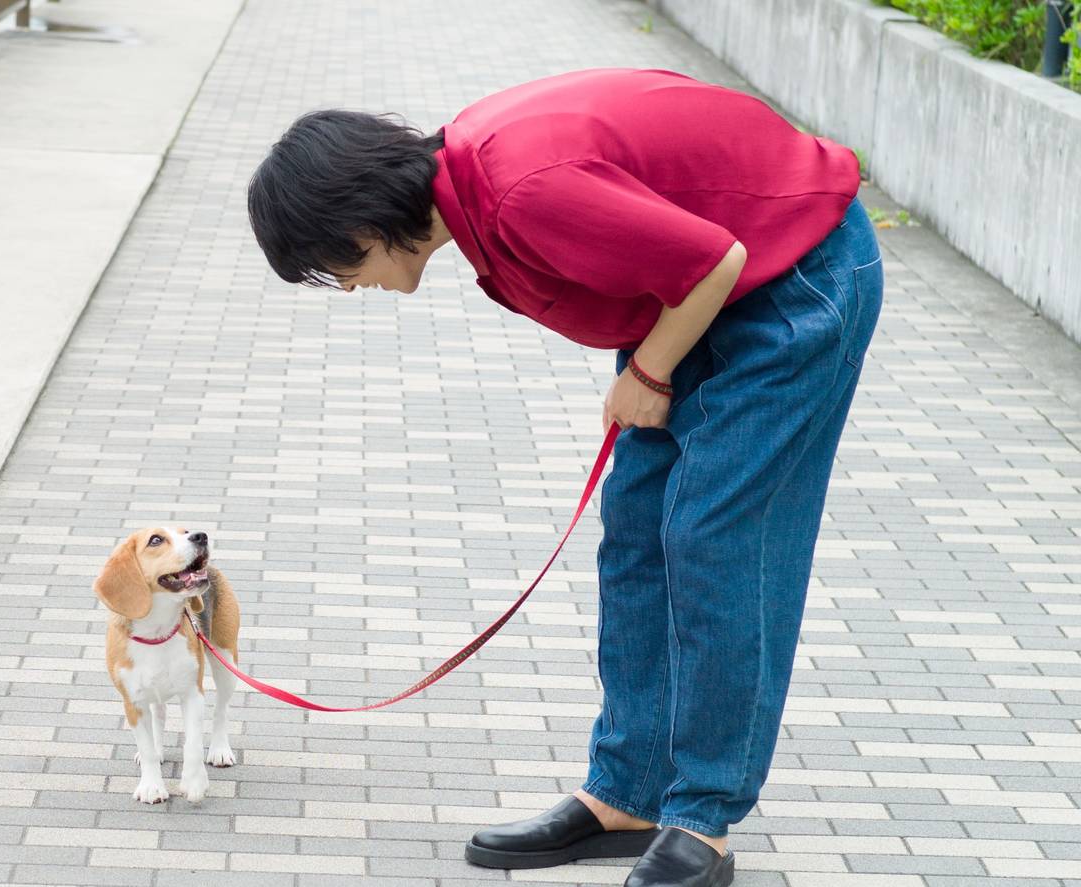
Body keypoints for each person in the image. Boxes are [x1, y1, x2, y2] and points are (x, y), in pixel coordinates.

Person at [247, 67, 882, 887]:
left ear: (361, 220)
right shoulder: (471, 188)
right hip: (695, 303)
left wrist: (648, 375)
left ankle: (704, 816)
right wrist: (652, 365)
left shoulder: (516, 191)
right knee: (636, 535)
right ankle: (628, 793)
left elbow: (715, 258)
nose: (346, 287)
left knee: (713, 537)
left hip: (795, 280)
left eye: (333, 266)